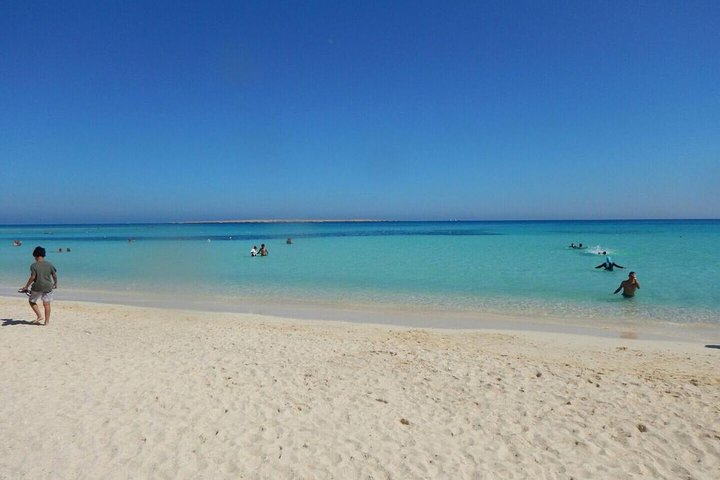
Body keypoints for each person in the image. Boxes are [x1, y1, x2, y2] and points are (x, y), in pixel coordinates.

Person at [19, 246, 57, 326]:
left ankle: (39, 316)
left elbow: (33, 277)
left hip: (37, 287)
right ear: (44, 255)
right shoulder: (49, 264)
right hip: (48, 287)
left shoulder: (34, 265)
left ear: (35, 255)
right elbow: (54, 275)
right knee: (47, 304)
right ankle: (46, 322)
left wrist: (26, 287)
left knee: (31, 301)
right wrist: (55, 283)